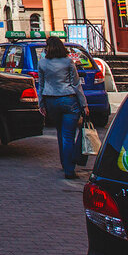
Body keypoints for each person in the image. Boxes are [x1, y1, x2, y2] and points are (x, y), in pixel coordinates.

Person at [37, 35, 89, 179]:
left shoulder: (42, 63)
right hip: (69, 100)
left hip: (51, 101)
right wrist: (84, 104)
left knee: (60, 132)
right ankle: (69, 169)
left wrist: (41, 103)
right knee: (68, 135)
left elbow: (41, 85)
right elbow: (76, 84)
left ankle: (64, 162)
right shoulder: (68, 62)